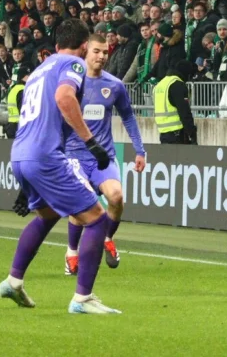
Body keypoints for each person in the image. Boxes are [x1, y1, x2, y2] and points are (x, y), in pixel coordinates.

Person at [0, 19, 120, 315]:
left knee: (48, 214)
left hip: (21, 154)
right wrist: (90, 142)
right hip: (44, 156)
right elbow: (64, 98)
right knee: (96, 219)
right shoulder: (73, 64)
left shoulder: (39, 70)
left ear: (54, 46)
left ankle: (13, 281)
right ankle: (83, 298)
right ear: (82, 48)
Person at [62, 33, 147, 276]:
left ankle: (107, 237)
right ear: (85, 52)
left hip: (103, 157)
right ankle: (71, 253)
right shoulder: (71, 85)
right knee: (82, 208)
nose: (101, 56)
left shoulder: (114, 85)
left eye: (105, 52)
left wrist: (140, 150)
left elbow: (128, 117)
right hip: (75, 157)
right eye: (96, 51)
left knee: (117, 198)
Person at [153, 60, 197, 145]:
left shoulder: (159, 85)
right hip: (177, 135)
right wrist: (192, 134)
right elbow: (184, 113)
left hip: (163, 134)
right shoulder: (177, 84)